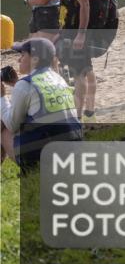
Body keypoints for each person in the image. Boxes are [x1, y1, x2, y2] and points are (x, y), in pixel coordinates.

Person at [0, 38, 82, 171]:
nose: (19, 60)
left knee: (3, 128)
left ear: (35, 59)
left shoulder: (25, 85)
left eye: (22, 55)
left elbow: (12, 124)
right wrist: (16, 85)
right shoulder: (58, 79)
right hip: (73, 149)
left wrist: (2, 97)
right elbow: (37, 100)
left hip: (44, 158)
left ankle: (27, 170)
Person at [53, 0, 98, 117]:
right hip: (70, 29)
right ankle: (90, 108)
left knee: (79, 74)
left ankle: (77, 116)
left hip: (77, 30)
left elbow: (84, 5)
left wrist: (81, 34)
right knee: (86, 69)